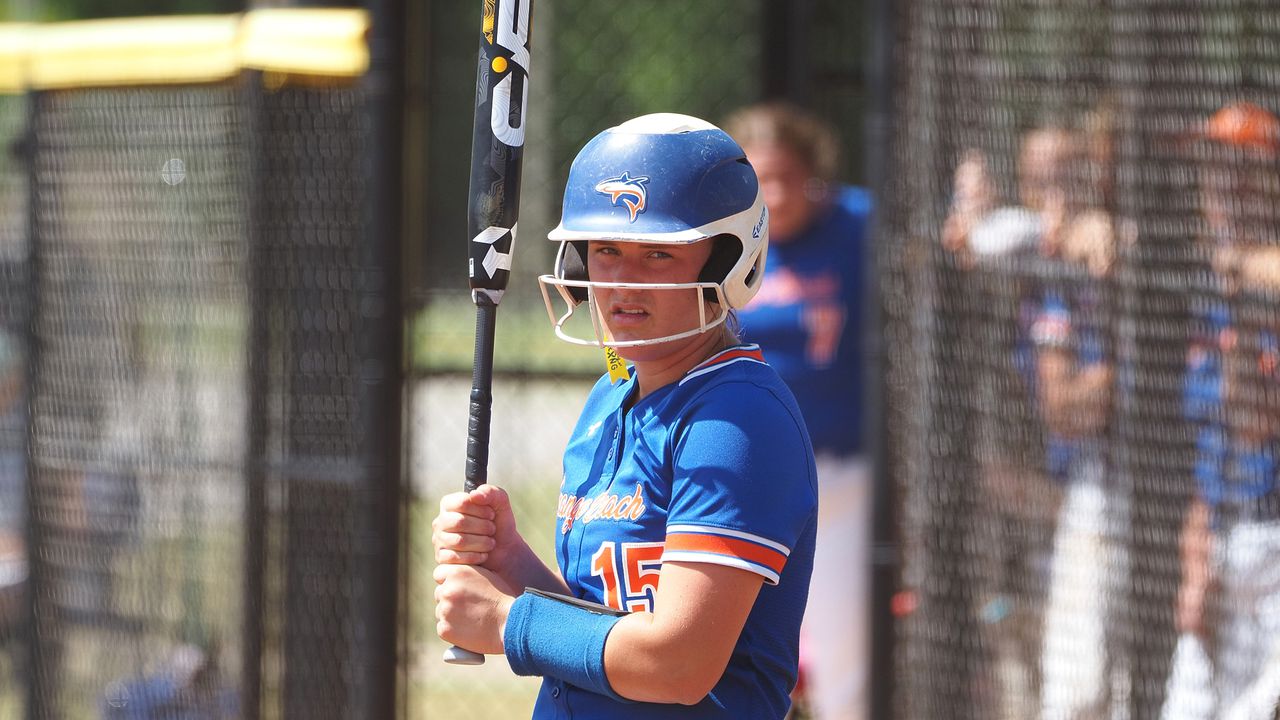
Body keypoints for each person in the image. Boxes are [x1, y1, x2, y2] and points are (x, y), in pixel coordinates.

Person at [432, 113, 819, 719]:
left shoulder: (738, 421)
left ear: (726, 261)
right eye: (607, 250)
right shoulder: (608, 400)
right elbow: (611, 631)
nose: (622, 283)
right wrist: (513, 564)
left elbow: (678, 664)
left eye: (659, 253)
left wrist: (508, 621)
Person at [720, 102, 872, 720]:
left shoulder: (856, 226)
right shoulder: (723, 244)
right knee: (730, 646)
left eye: (787, 177)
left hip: (838, 475)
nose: (775, 196)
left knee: (841, 655)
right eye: (760, 181)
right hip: (743, 477)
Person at [1162, 102, 1280, 720]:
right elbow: (1216, 443)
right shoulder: (1214, 281)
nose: (1222, 187)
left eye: (1240, 170)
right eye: (1213, 168)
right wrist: (1194, 559)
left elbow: (1255, 422)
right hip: (1228, 537)